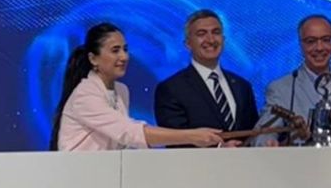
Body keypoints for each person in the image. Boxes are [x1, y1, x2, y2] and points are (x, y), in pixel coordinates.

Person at [51, 23, 223, 151]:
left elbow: (123, 141)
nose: (124, 57)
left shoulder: (121, 90)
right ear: (93, 58)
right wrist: (191, 136)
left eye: (125, 49)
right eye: (115, 50)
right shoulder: (85, 95)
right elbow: (129, 132)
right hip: (79, 177)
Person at [256, 14, 331, 146]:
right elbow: (263, 134)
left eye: (326, 40)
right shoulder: (281, 89)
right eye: (311, 41)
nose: (319, 48)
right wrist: (269, 144)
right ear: (300, 45)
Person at [153, 10, 260, 144]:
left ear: (223, 39)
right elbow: (175, 142)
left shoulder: (242, 86)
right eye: (201, 34)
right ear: (188, 44)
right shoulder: (171, 89)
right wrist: (220, 150)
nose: (211, 40)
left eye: (216, 32)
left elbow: (253, 133)